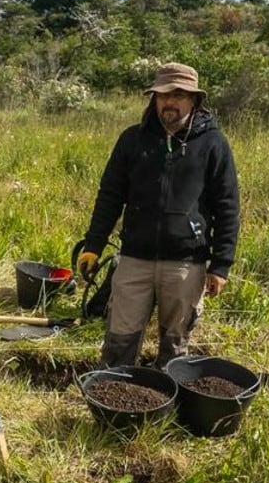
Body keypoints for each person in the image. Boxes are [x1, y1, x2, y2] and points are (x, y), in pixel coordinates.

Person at [76, 62, 239, 368]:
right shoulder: (132, 139)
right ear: (154, 99)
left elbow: (227, 205)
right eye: (162, 94)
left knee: (175, 344)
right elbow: (110, 196)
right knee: (119, 339)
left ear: (194, 99)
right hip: (134, 259)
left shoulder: (213, 144)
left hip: (185, 264)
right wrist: (93, 245)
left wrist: (221, 265)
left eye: (178, 95)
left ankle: (164, 406)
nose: (169, 101)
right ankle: (115, 400)